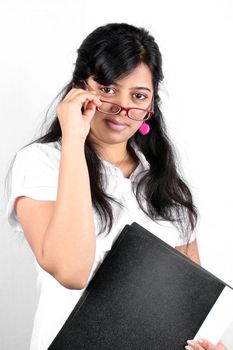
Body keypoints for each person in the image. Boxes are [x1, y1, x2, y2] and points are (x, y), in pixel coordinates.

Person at [6, 23, 226, 350]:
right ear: (80, 88)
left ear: (150, 106)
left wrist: (209, 345)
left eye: (138, 95)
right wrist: (73, 140)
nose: (122, 108)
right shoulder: (41, 162)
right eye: (108, 89)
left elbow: (191, 305)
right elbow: (71, 271)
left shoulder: (167, 186)